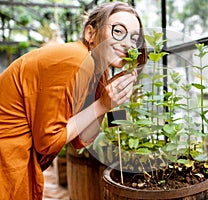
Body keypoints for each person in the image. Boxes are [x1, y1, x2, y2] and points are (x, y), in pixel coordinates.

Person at [0, 2, 147, 199]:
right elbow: (48, 142)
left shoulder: (98, 70)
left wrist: (109, 103)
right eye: (118, 31)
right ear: (90, 34)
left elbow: (80, 138)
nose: (128, 44)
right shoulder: (74, 59)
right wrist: (102, 104)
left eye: (134, 38)